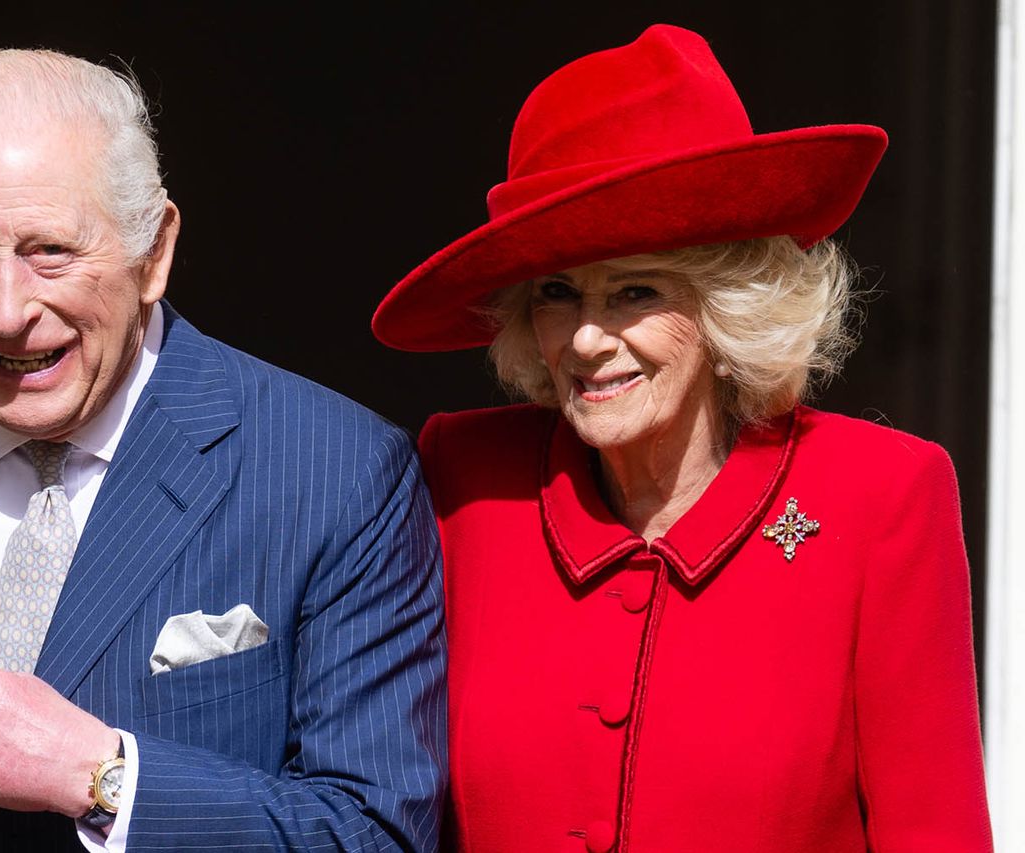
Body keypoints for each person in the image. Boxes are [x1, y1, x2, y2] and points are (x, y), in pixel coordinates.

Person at [0, 49, 445, 853]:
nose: (6, 309)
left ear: (155, 251)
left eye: (50, 251)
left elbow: (374, 834)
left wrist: (103, 779)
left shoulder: (337, 473)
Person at [372, 24, 991, 853]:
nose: (587, 340)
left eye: (634, 291)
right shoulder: (465, 483)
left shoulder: (879, 495)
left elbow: (936, 834)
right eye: (559, 293)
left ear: (727, 303)